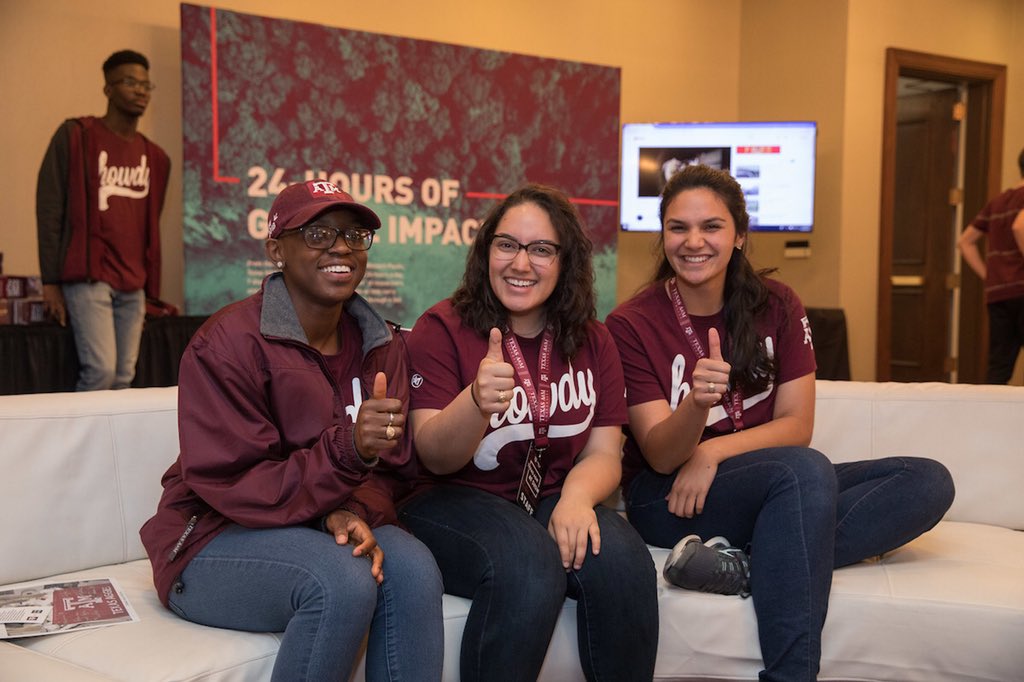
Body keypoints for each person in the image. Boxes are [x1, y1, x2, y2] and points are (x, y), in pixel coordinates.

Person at [605, 165, 955, 682]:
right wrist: (697, 408)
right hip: (669, 495)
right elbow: (658, 453)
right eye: (678, 227)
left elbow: (797, 424)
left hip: (764, 478)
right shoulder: (630, 323)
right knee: (804, 472)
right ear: (663, 235)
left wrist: (714, 451)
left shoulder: (780, 306)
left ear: (740, 235)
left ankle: (749, 566)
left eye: (712, 227)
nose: (693, 241)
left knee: (926, 480)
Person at [139, 180, 443, 682]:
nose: (341, 246)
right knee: (340, 582)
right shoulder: (228, 344)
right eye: (318, 233)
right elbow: (237, 483)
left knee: (413, 568)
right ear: (276, 249)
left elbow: (394, 472)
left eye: (354, 234)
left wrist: (349, 510)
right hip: (211, 537)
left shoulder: (381, 344)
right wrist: (346, 456)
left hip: (316, 523)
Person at [400, 184, 658, 682]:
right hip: (447, 500)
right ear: (486, 251)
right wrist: (474, 402)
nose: (521, 263)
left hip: (551, 494)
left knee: (623, 561)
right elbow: (432, 455)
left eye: (541, 249)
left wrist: (578, 499)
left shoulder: (592, 338)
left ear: (566, 262)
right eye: (507, 245)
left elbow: (606, 450)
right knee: (529, 564)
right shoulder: (442, 326)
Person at [36, 49, 171, 391]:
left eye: (145, 84)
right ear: (108, 88)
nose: (140, 90)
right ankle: (83, 447)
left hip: (133, 283)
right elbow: (49, 208)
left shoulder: (155, 157)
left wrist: (150, 291)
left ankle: (118, 447)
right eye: (129, 82)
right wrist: (50, 280)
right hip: (88, 277)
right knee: (100, 372)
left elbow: (149, 227)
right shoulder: (76, 135)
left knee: (124, 377)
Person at [957, 146, 1024, 384]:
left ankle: (989, 419)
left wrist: (990, 276)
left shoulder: (998, 202)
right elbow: (1019, 226)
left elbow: (965, 242)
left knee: (999, 367)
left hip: (998, 293)